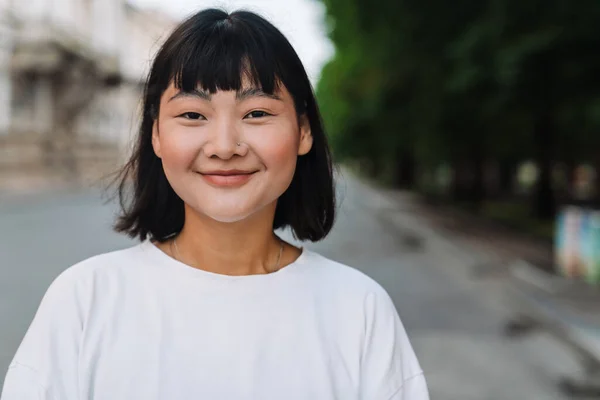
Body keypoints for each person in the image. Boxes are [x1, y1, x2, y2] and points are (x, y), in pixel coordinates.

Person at [1, 8, 429, 400]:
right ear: (155, 135)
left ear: (302, 131)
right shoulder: (84, 301)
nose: (225, 147)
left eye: (257, 113)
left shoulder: (359, 310)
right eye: (193, 115)